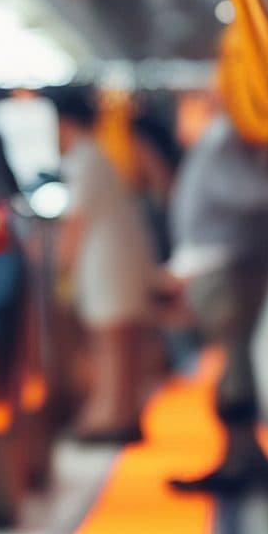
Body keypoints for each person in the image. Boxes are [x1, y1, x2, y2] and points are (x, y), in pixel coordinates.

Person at [165, 99, 268, 493]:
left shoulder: (223, 141)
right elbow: (252, 195)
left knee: (240, 362)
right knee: (237, 362)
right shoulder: (227, 142)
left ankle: (246, 455)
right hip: (223, 271)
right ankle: (237, 460)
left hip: (224, 269)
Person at [52, 87, 159, 443]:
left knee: (110, 346)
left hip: (106, 264)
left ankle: (111, 418)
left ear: (63, 124)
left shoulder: (82, 159)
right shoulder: (97, 155)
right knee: (122, 345)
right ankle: (121, 413)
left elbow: (76, 220)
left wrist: (60, 268)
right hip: (120, 259)